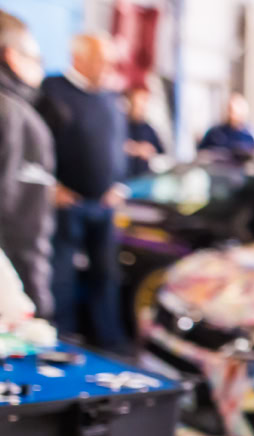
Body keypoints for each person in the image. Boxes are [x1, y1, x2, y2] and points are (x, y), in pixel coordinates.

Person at [40, 33, 129, 352]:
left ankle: (109, 342)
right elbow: (36, 143)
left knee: (106, 275)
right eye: (102, 60)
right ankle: (62, 341)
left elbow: (118, 145)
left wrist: (118, 184)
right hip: (67, 204)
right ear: (78, 58)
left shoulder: (110, 97)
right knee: (61, 276)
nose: (109, 67)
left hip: (104, 204)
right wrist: (50, 186)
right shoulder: (51, 91)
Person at [0, 11, 54, 320]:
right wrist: (36, 306)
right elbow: (21, 228)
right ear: (12, 57)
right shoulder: (15, 117)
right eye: (37, 59)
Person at [198, 92, 254, 156]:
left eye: (236, 109)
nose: (232, 114)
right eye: (230, 109)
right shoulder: (214, 133)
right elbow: (201, 153)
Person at [124, 85, 163, 178]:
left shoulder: (148, 128)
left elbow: (159, 153)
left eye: (145, 101)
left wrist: (150, 152)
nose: (142, 106)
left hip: (144, 177)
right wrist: (136, 149)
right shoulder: (121, 126)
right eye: (139, 101)